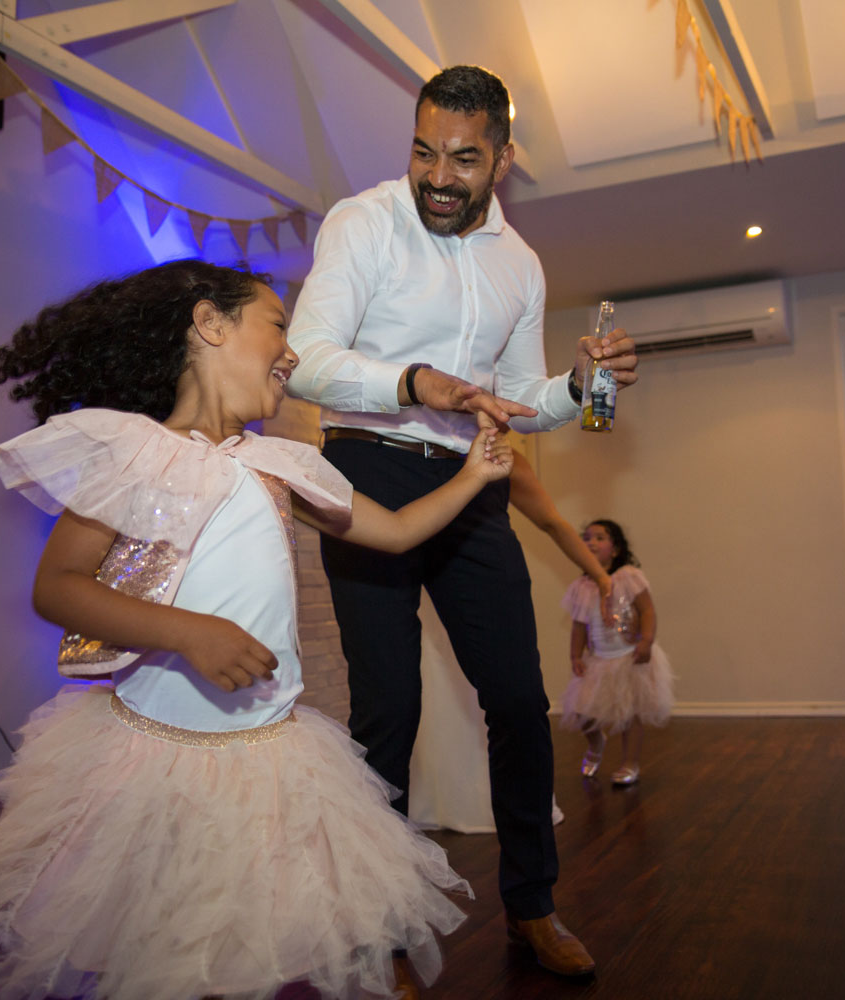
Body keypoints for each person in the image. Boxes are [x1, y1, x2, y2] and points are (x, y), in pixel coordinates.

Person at [0, 260, 516, 1000]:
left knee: (245, 934)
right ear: (210, 324)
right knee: (157, 936)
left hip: (268, 755)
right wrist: (187, 632)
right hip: (152, 753)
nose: (292, 350)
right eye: (278, 324)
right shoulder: (134, 453)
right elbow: (58, 588)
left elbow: (400, 532)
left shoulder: (282, 463)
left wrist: (474, 474)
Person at [286, 65, 637, 977]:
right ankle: (382, 927)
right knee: (388, 709)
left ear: (503, 159)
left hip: (471, 481)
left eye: (465, 158)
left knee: (520, 701)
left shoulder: (519, 264)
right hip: (363, 467)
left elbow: (518, 399)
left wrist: (574, 385)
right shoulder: (363, 223)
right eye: (423, 150)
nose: (438, 175)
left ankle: (533, 905)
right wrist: (409, 383)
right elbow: (308, 360)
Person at [409, 452, 612, 833]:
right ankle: (432, 800)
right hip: (425, 601)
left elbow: (552, 521)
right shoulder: (403, 449)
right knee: (428, 697)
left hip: (481, 599)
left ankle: (494, 806)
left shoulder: (504, 457)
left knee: (501, 701)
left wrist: (600, 575)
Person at [561, 519, 675, 786]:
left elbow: (647, 610)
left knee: (630, 713)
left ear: (615, 548)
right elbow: (579, 626)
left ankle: (629, 763)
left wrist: (646, 641)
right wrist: (575, 656)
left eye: (600, 537)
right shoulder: (582, 587)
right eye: (587, 538)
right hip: (599, 659)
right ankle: (596, 742)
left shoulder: (628, 577)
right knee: (581, 711)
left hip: (629, 656)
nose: (591, 542)